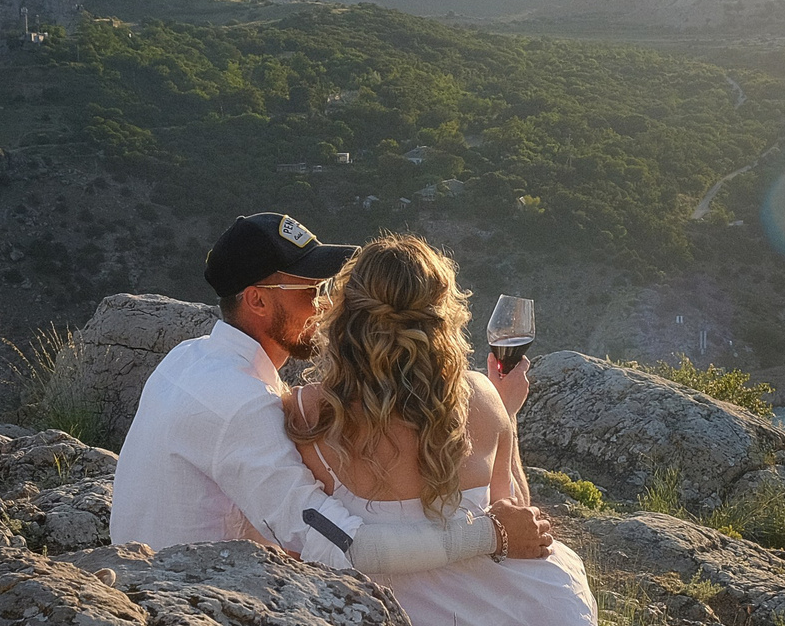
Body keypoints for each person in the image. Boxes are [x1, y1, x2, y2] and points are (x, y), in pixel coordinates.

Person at [284, 233, 634, 626]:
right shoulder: (480, 395)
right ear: (443, 316)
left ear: (344, 314)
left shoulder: (307, 412)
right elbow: (515, 515)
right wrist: (507, 413)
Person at [108, 212, 553, 572]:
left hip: (152, 574)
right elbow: (342, 545)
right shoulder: (246, 406)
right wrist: (490, 533)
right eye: (310, 288)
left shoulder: (188, 357)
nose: (324, 304)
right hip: (192, 599)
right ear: (257, 300)